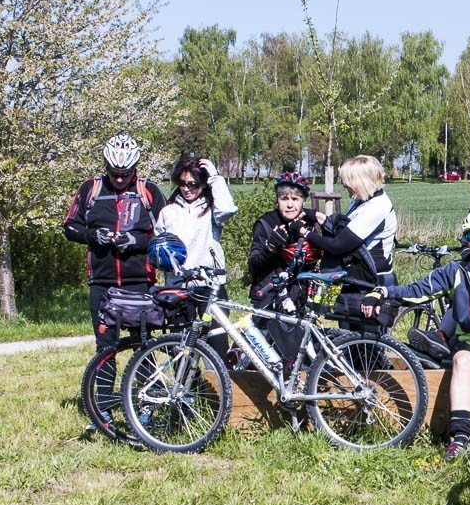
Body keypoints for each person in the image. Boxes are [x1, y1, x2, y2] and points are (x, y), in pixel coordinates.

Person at [364, 209, 470, 460]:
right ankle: (461, 436)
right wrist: (384, 292)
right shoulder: (457, 270)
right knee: (462, 361)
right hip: (468, 340)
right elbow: (419, 289)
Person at [61, 134, 167, 352]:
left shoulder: (148, 191)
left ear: (135, 168)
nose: (119, 179)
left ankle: (145, 386)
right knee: (105, 348)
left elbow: (166, 237)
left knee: (143, 347)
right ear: (106, 166)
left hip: (139, 282)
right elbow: (70, 227)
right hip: (102, 282)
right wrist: (92, 236)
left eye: (125, 174)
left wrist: (136, 241)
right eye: (114, 173)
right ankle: (104, 389)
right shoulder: (91, 188)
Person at [306, 155, 398, 329]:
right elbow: (344, 230)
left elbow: (338, 246)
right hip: (358, 280)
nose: (345, 185)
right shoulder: (363, 201)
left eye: (348, 181)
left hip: (372, 283)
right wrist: (320, 218)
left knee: (366, 349)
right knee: (349, 343)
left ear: (361, 181)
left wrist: (306, 233)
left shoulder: (376, 207)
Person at [155, 152, 237, 287]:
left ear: (203, 184)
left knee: (219, 309)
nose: (186, 189)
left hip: (210, 281)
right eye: (182, 183)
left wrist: (215, 178)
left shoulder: (212, 209)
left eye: (192, 184)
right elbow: (160, 248)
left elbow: (227, 210)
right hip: (179, 283)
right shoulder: (168, 212)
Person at [248, 171, 321, 287]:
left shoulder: (308, 223)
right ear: (277, 200)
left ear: (303, 201)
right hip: (268, 294)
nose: (290, 205)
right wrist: (271, 247)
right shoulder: (266, 223)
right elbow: (253, 267)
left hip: (297, 296)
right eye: (284, 199)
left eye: (295, 199)